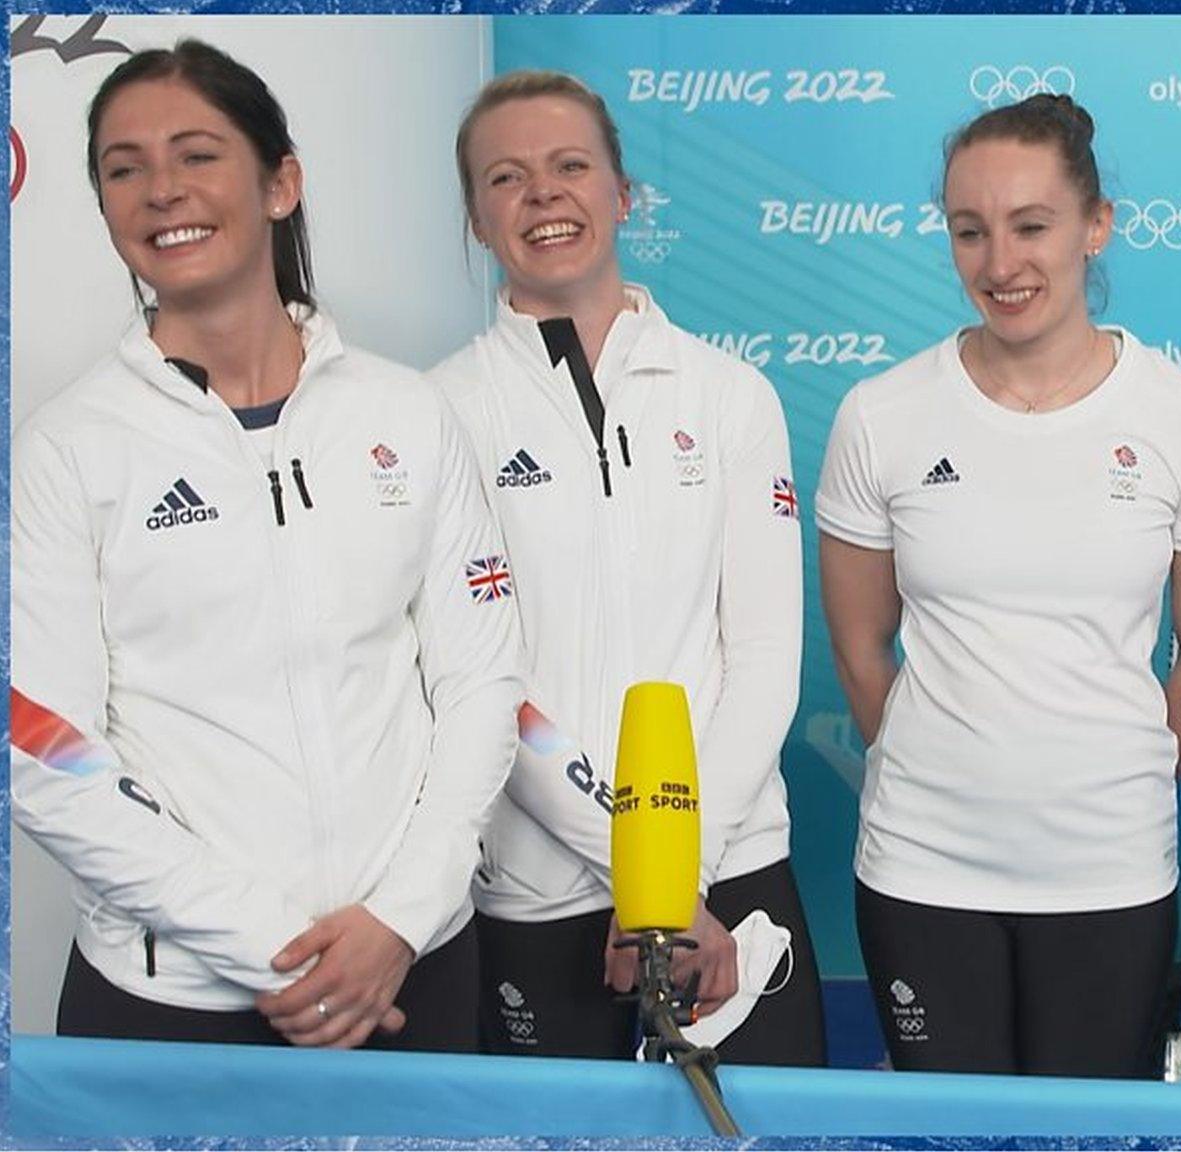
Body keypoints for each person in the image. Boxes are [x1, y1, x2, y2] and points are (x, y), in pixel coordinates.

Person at [10, 39, 519, 1051]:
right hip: (172, 1005)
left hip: (410, 972)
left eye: (196, 154)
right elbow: (43, 749)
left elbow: (480, 684)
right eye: (123, 168)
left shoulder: (406, 413)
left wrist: (395, 924)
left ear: (279, 181)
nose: (161, 190)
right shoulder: (68, 448)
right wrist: (275, 946)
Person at [814, 93, 1181, 1078]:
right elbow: (857, 647)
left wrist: (1115, 780)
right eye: (968, 231)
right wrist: (935, 769)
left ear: (1094, 226)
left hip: (1108, 869)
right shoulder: (879, 413)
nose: (999, 263)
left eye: (1031, 226)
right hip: (918, 868)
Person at [429, 70, 824, 1064]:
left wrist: (672, 874)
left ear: (623, 194)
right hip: (538, 888)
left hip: (726, 873)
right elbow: (481, 684)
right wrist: (635, 869)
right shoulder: (435, 415)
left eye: (570, 167)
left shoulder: (730, 395)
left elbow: (766, 656)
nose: (543, 195)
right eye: (506, 178)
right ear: (477, 219)